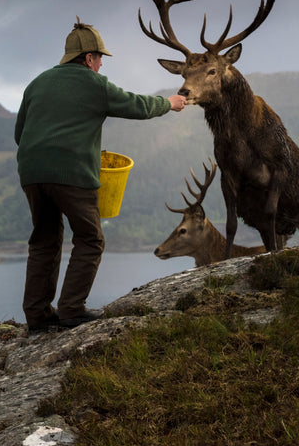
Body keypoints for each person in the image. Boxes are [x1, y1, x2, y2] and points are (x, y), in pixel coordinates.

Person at [14, 18, 187, 333]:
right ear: (88, 58)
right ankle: (71, 309)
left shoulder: (37, 83)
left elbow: (19, 133)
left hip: (32, 172)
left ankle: (38, 317)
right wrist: (169, 103)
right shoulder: (93, 84)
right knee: (90, 238)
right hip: (71, 173)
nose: (102, 63)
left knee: (44, 240)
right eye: (100, 57)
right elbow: (135, 104)